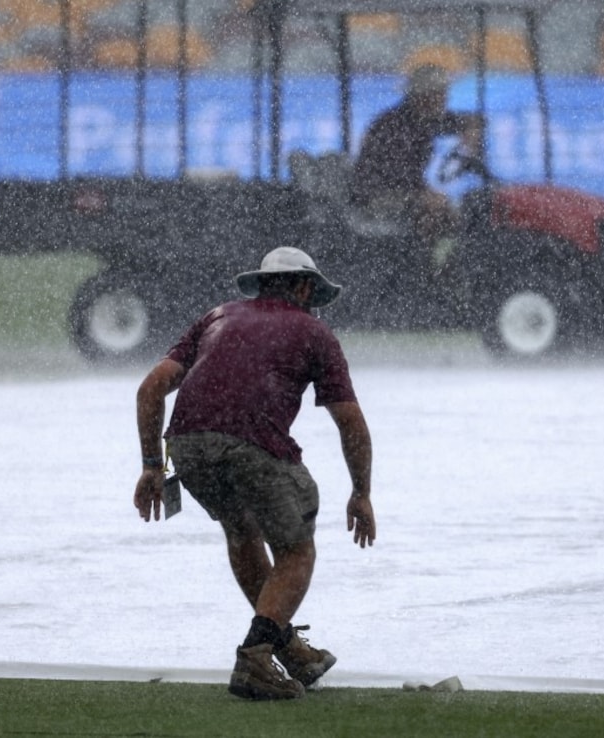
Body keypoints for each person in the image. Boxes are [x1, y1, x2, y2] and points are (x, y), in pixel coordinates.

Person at [134, 246, 375, 701]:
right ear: (303, 287)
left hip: (187, 445)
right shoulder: (315, 333)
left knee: (242, 533)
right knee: (297, 550)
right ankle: (256, 656)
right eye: (313, 293)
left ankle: (290, 650)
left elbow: (151, 389)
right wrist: (361, 492)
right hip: (253, 444)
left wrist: (151, 466)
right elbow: (350, 422)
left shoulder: (216, 317)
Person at [349, 64, 482, 246]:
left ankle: (443, 259)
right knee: (433, 213)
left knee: (453, 214)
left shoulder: (423, 119)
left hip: (401, 190)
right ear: (423, 97)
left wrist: (470, 128)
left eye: (444, 93)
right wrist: (422, 195)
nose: (444, 99)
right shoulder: (393, 127)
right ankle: (421, 264)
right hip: (376, 195)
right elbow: (396, 174)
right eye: (439, 94)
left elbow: (462, 120)